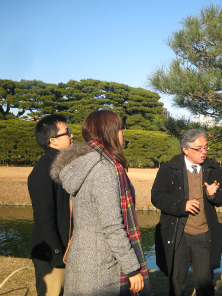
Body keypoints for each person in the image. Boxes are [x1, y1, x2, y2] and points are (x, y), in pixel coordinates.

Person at [50, 110, 151, 296]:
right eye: (120, 129)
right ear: (109, 133)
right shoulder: (103, 169)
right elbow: (112, 226)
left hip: (85, 257)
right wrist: (132, 269)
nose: (123, 133)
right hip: (102, 265)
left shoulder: (85, 163)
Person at [151, 129, 222, 296]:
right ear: (185, 150)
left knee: (205, 283)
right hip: (178, 234)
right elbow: (157, 197)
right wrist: (181, 205)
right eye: (199, 148)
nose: (204, 152)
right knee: (177, 283)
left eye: (206, 147)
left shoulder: (212, 168)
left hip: (204, 234)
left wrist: (213, 195)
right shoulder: (168, 169)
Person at [28, 114, 74, 296]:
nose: (72, 135)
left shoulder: (64, 165)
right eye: (67, 132)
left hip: (66, 251)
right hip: (52, 255)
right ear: (53, 141)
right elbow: (43, 217)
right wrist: (56, 253)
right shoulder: (43, 171)